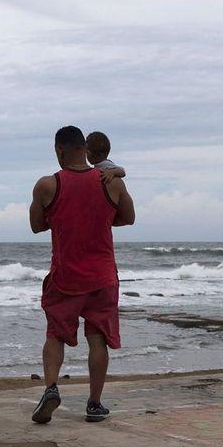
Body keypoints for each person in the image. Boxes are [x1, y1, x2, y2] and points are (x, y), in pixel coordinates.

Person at [28, 125, 135, 423]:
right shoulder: (110, 182)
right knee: (98, 338)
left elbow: (37, 225)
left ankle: (51, 387)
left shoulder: (48, 185)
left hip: (65, 276)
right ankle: (94, 404)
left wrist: (64, 219)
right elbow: (128, 217)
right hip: (102, 276)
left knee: (55, 334)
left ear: (60, 150)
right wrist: (98, 218)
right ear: (85, 150)